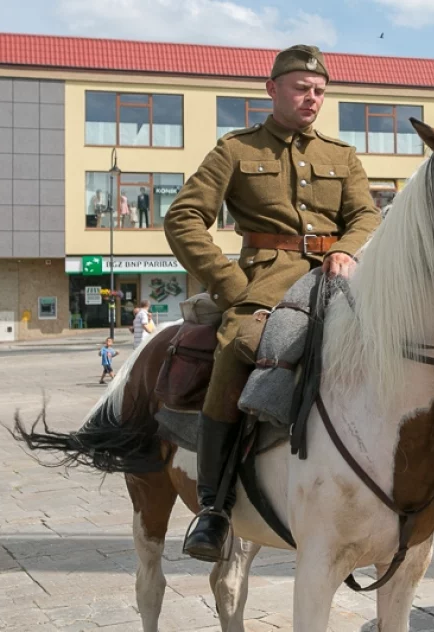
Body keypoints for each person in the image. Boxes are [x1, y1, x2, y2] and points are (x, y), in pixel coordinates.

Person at [164, 44, 381, 562]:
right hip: (264, 286)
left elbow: (366, 216)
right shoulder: (236, 150)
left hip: (340, 282)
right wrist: (230, 284)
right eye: (302, 89)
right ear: (273, 90)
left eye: (320, 92)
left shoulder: (340, 154)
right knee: (239, 349)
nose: (312, 99)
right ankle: (214, 507)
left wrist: (347, 250)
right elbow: (184, 217)